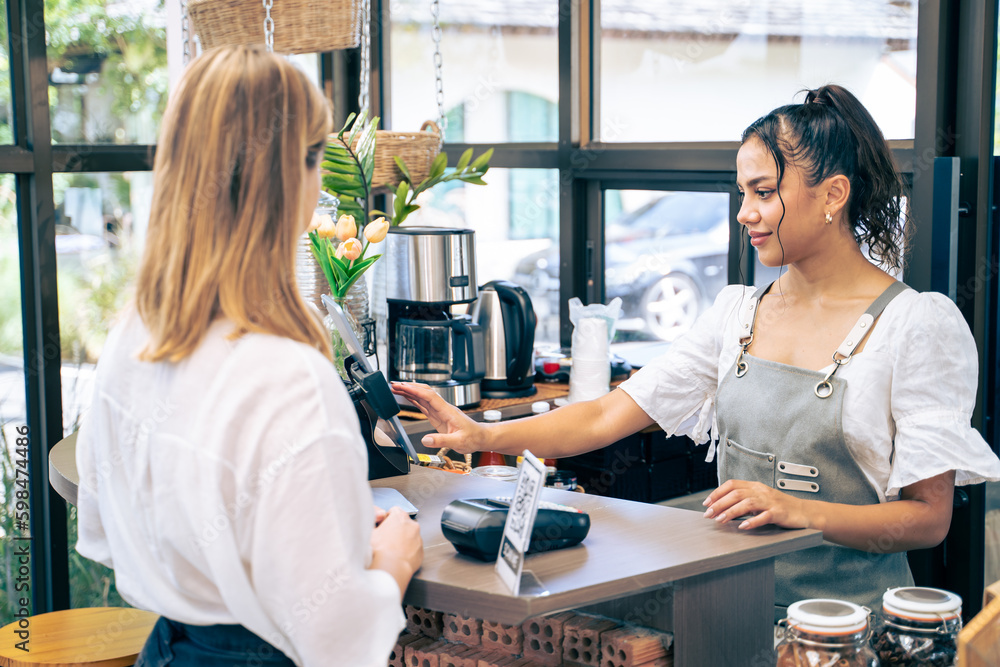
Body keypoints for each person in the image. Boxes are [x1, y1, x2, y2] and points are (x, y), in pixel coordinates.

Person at [392, 84, 1000, 617]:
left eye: (762, 192)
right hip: (725, 606)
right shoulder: (738, 314)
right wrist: (482, 437)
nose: (745, 214)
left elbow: (927, 519)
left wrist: (797, 509)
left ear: (832, 194)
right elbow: (607, 413)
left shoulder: (914, 326)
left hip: (847, 627)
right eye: (742, 193)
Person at [75, 45, 423, 667]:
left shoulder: (135, 335)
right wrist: (392, 562)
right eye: (318, 156)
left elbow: (102, 528)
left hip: (165, 650)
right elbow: (335, 636)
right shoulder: (288, 377)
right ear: (296, 175)